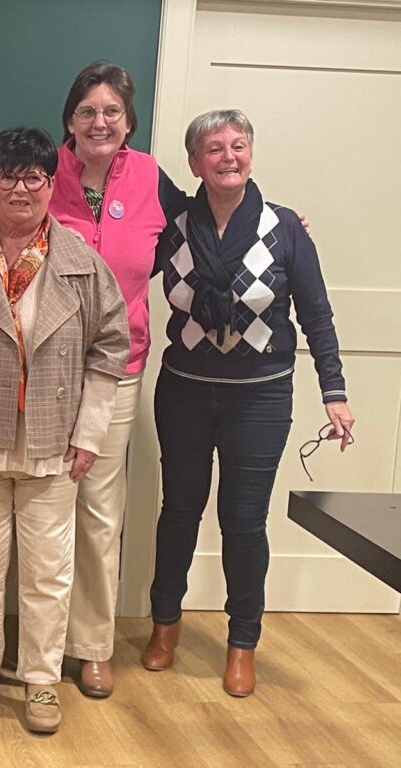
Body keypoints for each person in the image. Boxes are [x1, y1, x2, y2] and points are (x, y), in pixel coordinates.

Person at [143, 109, 354, 697]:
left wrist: (334, 391)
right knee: (178, 512)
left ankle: (242, 642)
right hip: (183, 392)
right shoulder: (173, 228)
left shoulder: (284, 228)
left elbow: (316, 313)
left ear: (251, 155)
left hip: (260, 399)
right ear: (194, 163)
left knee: (243, 521)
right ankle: (165, 624)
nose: (228, 156)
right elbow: (126, 269)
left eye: (238, 145)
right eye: (214, 148)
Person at [0, 128, 129, 733]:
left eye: (34, 177)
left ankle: (42, 677)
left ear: (53, 184)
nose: (21, 189)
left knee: (49, 568)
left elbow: (111, 347)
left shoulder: (82, 261)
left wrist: (90, 431)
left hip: (53, 437)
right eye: (8, 176)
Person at [47, 61, 187, 698]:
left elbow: (213, 218)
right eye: (87, 111)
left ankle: (91, 647)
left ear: (129, 122)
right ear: (69, 120)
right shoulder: (42, 172)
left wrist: (281, 222)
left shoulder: (152, 177)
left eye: (111, 112)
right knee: (43, 508)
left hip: (118, 372)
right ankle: (39, 641)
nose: (99, 122)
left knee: (101, 514)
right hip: (45, 371)